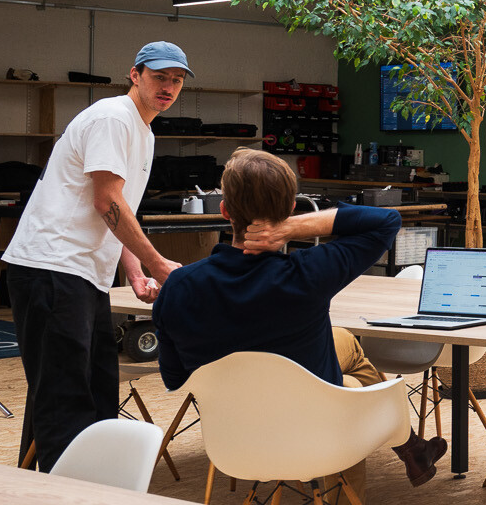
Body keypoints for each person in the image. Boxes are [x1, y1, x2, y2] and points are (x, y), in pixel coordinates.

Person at [152, 148, 446, 487]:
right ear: (291, 208)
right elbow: (386, 221)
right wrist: (291, 228)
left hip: (233, 436)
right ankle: (373, 491)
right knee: (349, 395)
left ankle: (413, 448)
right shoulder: (309, 273)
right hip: (313, 432)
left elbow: (174, 378)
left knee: (344, 340)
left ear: (224, 210)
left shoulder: (177, 287)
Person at [3, 42, 187, 470]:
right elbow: (107, 201)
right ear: (135, 75)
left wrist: (137, 273)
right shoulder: (112, 118)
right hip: (51, 267)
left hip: (80, 275)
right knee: (67, 398)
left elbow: (116, 211)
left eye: (177, 80)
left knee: (91, 390)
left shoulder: (143, 130)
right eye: (160, 77)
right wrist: (161, 264)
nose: (169, 87)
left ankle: (42, 485)